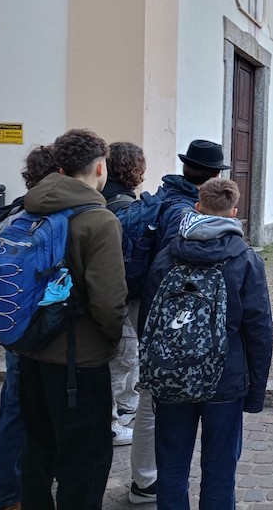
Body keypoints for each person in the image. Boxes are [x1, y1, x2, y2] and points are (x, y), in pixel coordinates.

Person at [139, 178, 273, 509]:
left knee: (170, 467)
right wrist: (254, 392)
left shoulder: (168, 254)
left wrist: (155, 373)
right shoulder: (245, 259)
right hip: (224, 380)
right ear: (234, 213)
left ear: (197, 207)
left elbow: (148, 321)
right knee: (220, 470)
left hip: (172, 378)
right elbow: (259, 331)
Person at [19, 128, 127, 508]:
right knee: (85, 463)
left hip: (30, 352)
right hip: (78, 362)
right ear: (100, 167)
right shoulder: (99, 221)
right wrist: (112, 341)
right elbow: (109, 302)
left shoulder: (29, 206)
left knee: (36, 452)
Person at [129, 138, 229, 504]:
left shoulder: (166, 194)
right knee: (151, 398)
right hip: (162, 314)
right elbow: (171, 266)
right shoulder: (183, 211)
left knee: (149, 395)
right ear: (214, 176)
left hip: (148, 306)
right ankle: (144, 481)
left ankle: (145, 477)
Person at [0, 145, 59, 510]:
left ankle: (8, 492)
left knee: (15, 407)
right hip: (38, 327)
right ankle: (9, 494)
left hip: (12, 324)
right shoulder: (49, 215)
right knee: (26, 409)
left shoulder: (17, 208)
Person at [103, 142, 147, 446]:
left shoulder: (101, 196)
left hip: (109, 293)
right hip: (120, 294)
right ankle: (112, 424)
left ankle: (122, 411)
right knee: (121, 358)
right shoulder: (123, 205)